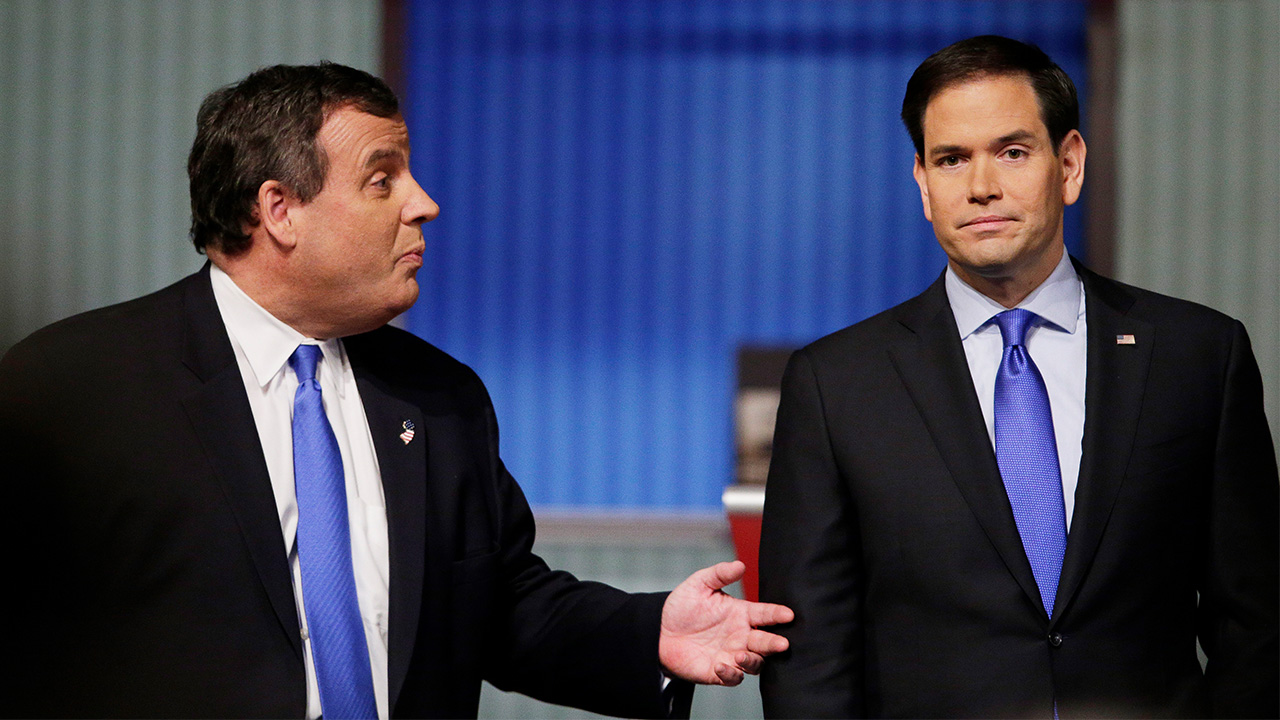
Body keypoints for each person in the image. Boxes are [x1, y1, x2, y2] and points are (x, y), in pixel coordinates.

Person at [0, 62, 792, 719]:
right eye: (384, 180)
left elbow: (500, 608)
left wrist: (651, 630)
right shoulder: (72, 390)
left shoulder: (439, 398)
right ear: (280, 210)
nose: (424, 204)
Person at [758, 35, 1278, 718]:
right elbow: (810, 662)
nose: (980, 186)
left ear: (1069, 164)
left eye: (1011, 151)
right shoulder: (837, 384)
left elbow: (1260, 622)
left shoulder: (1199, 355)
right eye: (951, 159)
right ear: (922, 182)